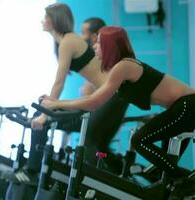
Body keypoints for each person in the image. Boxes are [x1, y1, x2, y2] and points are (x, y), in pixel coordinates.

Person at [40, 26, 195, 180]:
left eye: (99, 43)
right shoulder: (119, 68)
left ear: (109, 47)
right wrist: (56, 102)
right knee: (165, 173)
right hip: (182, 108)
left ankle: (187, 181)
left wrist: (56, 104)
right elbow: (92, 98)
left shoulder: (124, 67)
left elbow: (93, 103)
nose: (94, 46)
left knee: (139, 140)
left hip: (187, 106)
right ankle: (183, 182)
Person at [7, 4, 128, 185]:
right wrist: (48, 105)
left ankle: (32, 171)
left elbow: (59, 82)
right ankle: (124, 173)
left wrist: (43, 115)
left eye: (45, 17)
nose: (42, 20)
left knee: (89, 142)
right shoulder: (66, 42)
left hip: (113, 96)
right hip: (112, 97)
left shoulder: (68, 41)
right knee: (98, 145)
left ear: (54, 20)